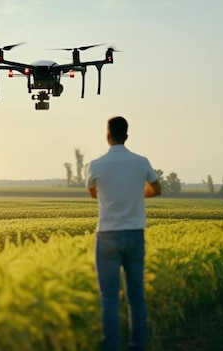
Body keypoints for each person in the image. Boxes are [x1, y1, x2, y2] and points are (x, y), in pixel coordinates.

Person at [85, 116, 161, 351]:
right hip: (135, 234)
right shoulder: (141, 162)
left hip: (107, 235)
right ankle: (137, 347)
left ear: (107, 136)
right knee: (136, 296)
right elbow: (157, 189)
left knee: (108, 297)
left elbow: (93, 193)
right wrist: (135, 194)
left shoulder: (96, 165)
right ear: (127, 136)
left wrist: (113, 196)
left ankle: (111, 348)